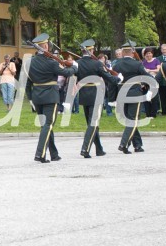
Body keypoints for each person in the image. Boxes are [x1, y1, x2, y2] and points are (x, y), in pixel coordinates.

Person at [26, 33, 76, 163]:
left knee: (46, 126)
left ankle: (54, 154)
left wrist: (30, 98)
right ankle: (40, 154)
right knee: (48, 125)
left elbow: (28, 83)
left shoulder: (30, 62)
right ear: (45, 46)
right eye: (47, 44)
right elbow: (66, 72)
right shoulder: (51, 62)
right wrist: (75, 67)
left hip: (37, 97)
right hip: (50, 97)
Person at [76, 39, 119, 158]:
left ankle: (99, 149)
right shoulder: (97, 64)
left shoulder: (77, 63)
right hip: (96, 94)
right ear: (91, 50)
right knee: (93, 124)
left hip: (84, 95)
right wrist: (119, 78)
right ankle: (85, 148)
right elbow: (110, 78)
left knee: (91, 124)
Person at [114, 42, 149, 154]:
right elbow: (147, 78)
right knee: (133, 120)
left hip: (122, 94)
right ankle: (123, 144)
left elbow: (112, 82)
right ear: (132, 52)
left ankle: (137, 145)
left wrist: (112, 99)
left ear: (123, 52)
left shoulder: (116, 65)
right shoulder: (137, 64)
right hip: (135, 94)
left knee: (130, 119)